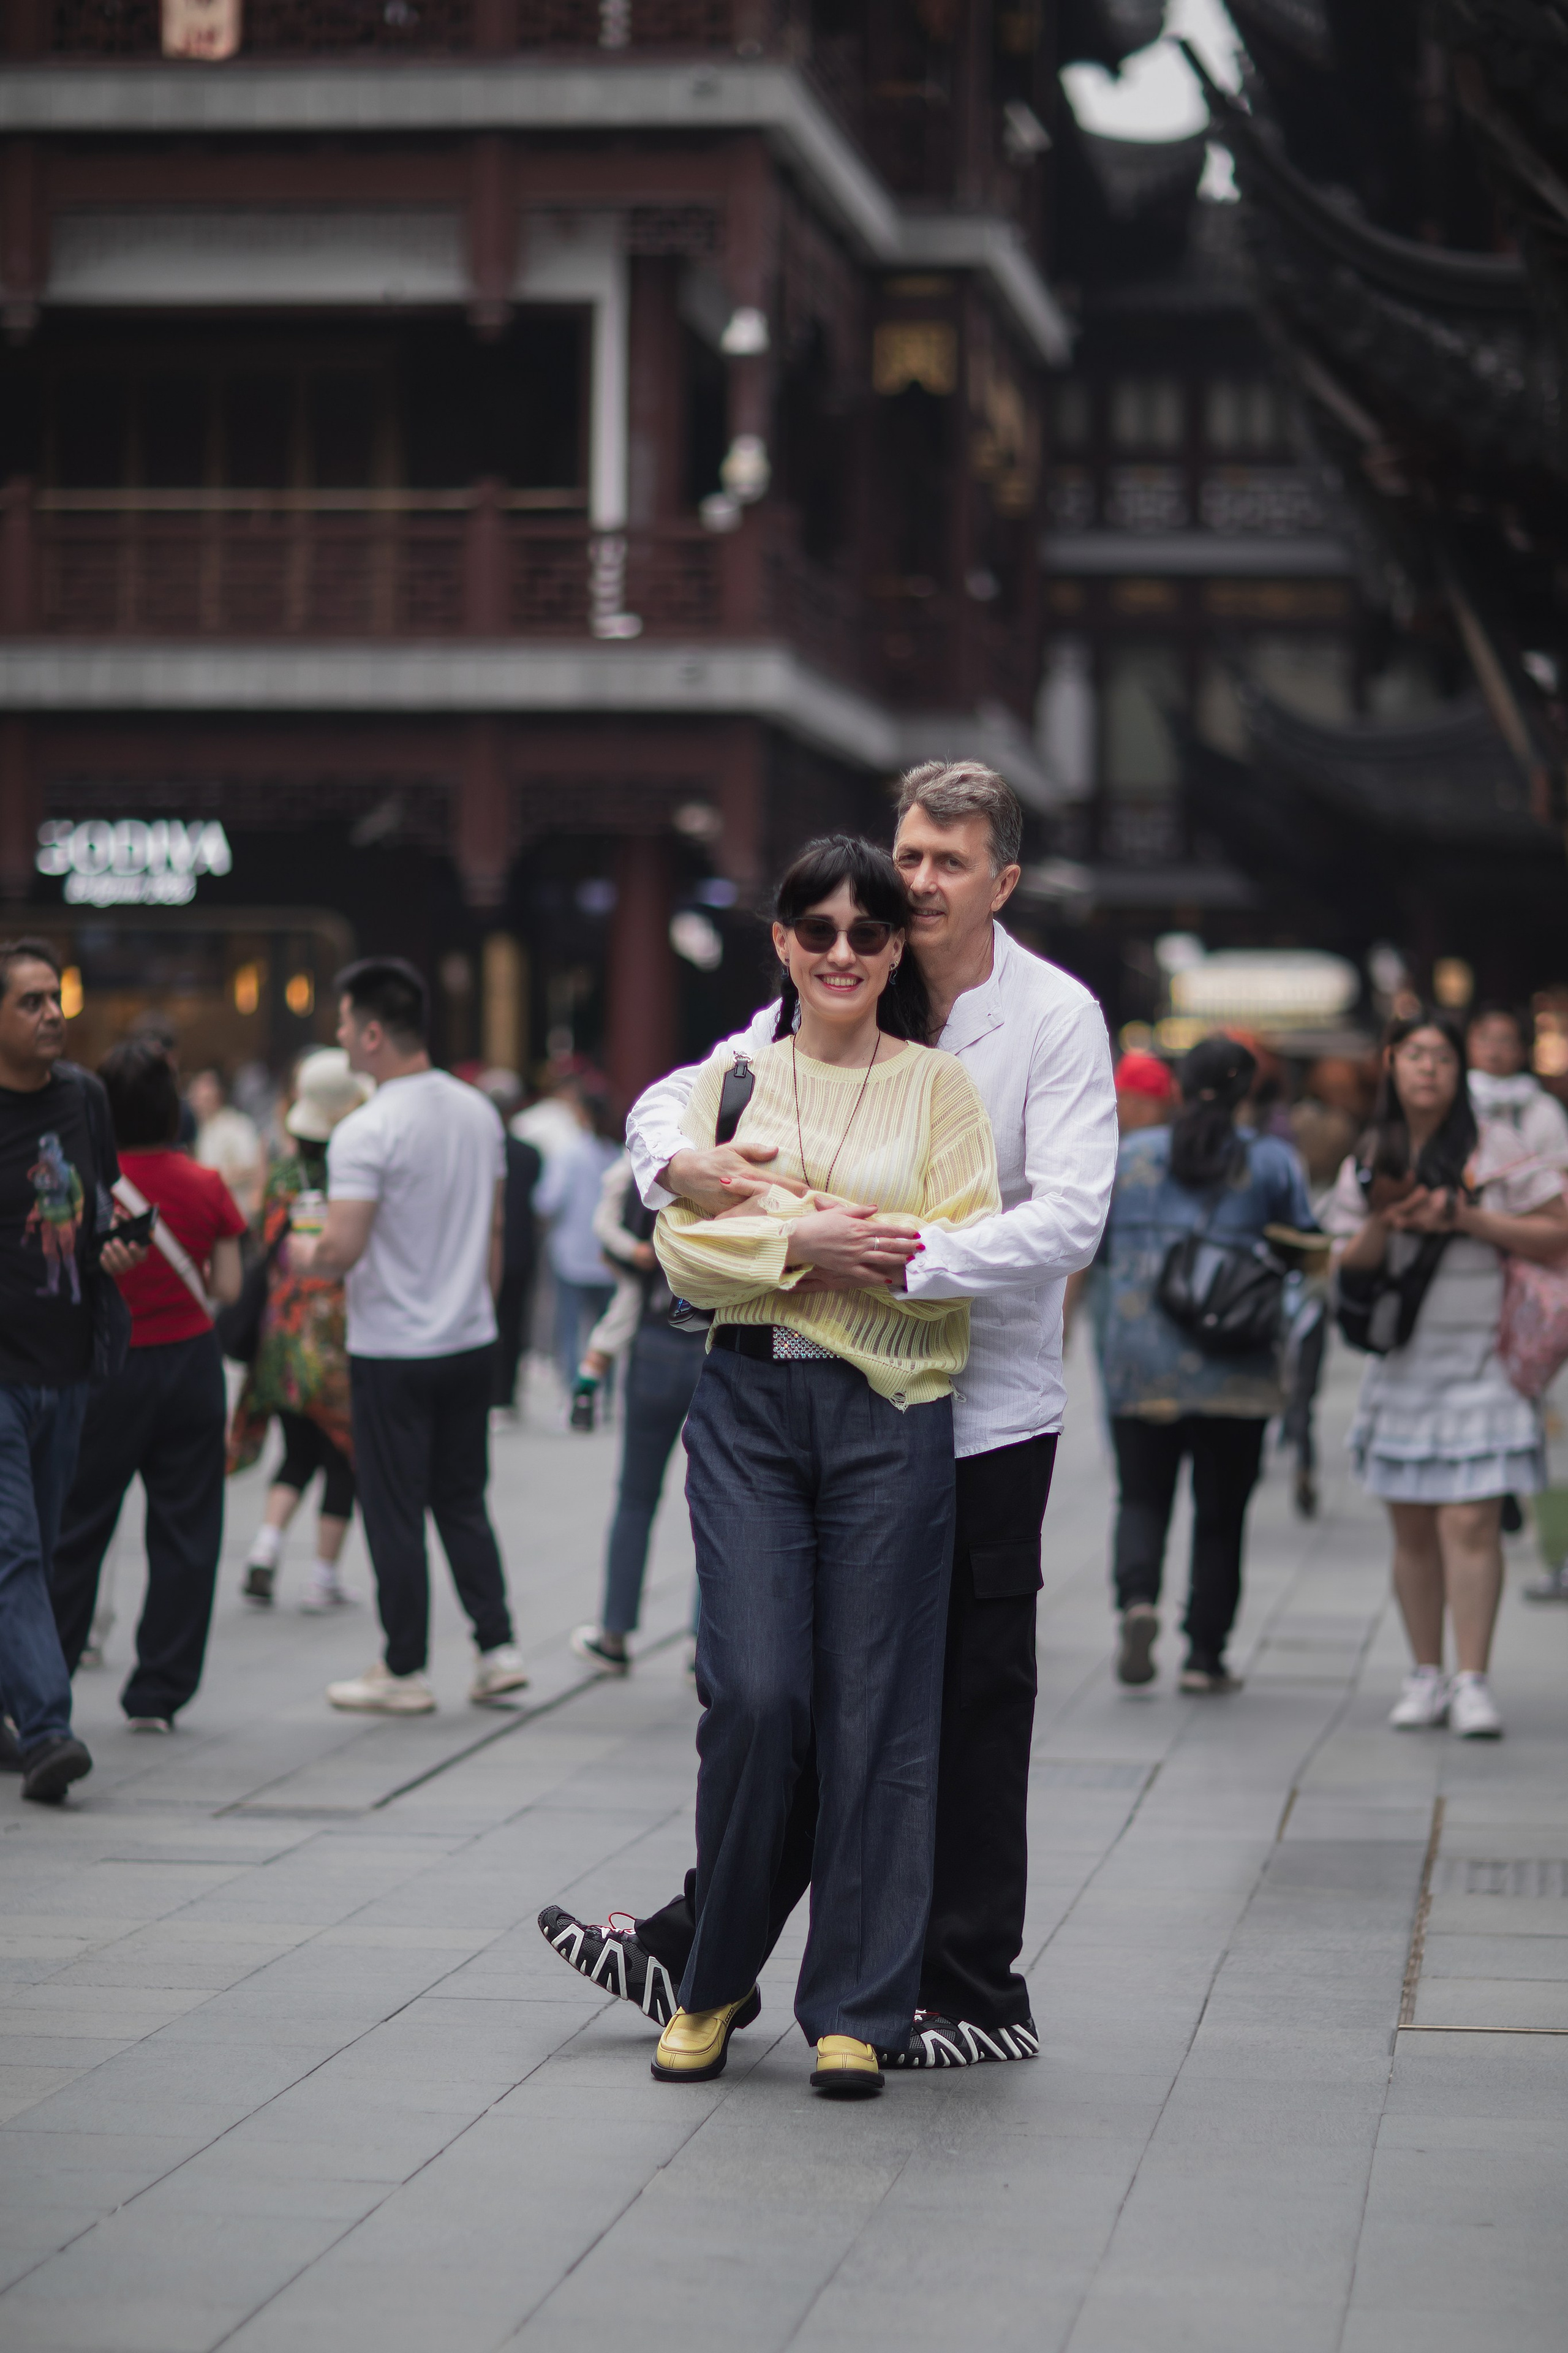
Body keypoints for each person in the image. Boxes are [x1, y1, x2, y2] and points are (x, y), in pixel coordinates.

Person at [538, 759, 1118, 2070]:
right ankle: (710, 1945)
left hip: (980, 1412)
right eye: (908, 854)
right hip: (808, 1390)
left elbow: (1068, 1217)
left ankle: (965, 1985)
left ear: (1001, 882)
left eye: (943, 865)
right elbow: (692, 1096)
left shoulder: (1052, 1019)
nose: (908, 888)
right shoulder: (858, 971)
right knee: (779, 1691)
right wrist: (677, 1164)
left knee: (950, 1704)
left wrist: (895, 1258)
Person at [641, 834, 998, 2097]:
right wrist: (810, 1249)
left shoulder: (938, 1091)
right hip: (744, 1408)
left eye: (868, 932)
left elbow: (941, 1255)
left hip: (887, 1416)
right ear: (781, 942)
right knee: (755, 1697)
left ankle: (856, 2003)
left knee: (877, 1715)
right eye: (818, 930)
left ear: (897, 947)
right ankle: (713, 1976)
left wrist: (784, 1227)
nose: (842, 952)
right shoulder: (731, 1079)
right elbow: (681, 1255)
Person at [285, 959, 529, 1715]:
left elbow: (342, 1247)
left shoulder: (365, 1128)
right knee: (462, 1499)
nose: (337, 1036)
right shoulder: (477, 1111)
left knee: (393, 1505)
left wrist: (303, 1249)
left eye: (343, 1022)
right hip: (467, 1339)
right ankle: (497, 1649)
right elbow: (492, 1229)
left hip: (391, 1346)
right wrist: (475, 1312)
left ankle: (404, 1666)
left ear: (372, 1032)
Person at [1327, 1009, 1568, 1737]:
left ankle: (1472, 1679)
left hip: (1484, 1358)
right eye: (1413, 1055)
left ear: (1459, 1069)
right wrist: (1387, 1219)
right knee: (1412, 1527)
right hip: (1404, 1362)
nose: (1427, 1068)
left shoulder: (1498, 1147)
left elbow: (1557, 1231)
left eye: (1441, 1056)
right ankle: (1424, 1673)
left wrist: (1465, 1218)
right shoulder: (1368, 1154)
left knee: (1470, 1520)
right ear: (1391, 1067)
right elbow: (1343, 1261)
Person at [1102, 1033, 1315, 1695]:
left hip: (1139, 1358)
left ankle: (1138, 1601)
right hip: (1236, 1361)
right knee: (1221, 1515)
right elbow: (1306, 1248)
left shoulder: (1130, 1159)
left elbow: (1091, 1245)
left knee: (1140, 1495)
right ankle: (1204, 1655)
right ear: (1245, 1091)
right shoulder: (1272, 1163)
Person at [50, 1040, 246, 1729]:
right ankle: (158, 1693)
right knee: (188, 1531)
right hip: (191, 1368)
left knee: (77, 1527)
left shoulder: (82, 1184)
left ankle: (46, 1679)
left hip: (108, 1367)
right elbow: (226, 1284)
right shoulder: (206, 1184)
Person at [0, 940, 145, 1803]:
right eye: (30, 1002)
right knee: (14, 1548)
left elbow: (98, 1208)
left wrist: (113, 1250)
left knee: (39, 1552)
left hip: (68, 1361)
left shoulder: (84, 1098)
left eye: (55, 998)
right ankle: (47, 1727)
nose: (53, 1013)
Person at [229, 1047, 371, 1612]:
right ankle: (322, 1576)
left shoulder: (284, 1171)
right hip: (337, 1337)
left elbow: (265, 1237)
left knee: (297, 1450)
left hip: (282, 1332)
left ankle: (264, 1550)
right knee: (344, 1454)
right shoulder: (354, 1171)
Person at [569, 1155, 707, 1672]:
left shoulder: (650, 1171)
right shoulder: (732, 1170)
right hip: (715, 1347)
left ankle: (614, 1632)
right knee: (717, 1501)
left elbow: (612, 1248)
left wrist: (593, 1364)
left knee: (634, 1497)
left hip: (652, 1343)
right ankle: (704, 1640)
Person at [534, 1092, 620, 1397]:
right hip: (608, 1255)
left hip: (571, 1252)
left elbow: (548, 1201)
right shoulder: (616, 1154)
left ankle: (576, 1395)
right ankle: (605, 1393)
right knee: (605, 1329)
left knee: (569, 1328)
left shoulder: (568, 1154)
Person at [471, 1070, 541, 1417]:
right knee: (514, 1321)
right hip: (522, 1246)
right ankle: (506, 1396)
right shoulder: (530, 1155)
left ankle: (483, 1391)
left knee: (484, 1318)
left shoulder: (475, 1151)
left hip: (480, 1245)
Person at [188, 1068, 264, 1222]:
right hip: (215, 1217)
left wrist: (208, 1180)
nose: (198, 1102)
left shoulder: (236, 1125)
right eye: (196, 1096)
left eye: (204, 1097)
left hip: (238, 1216)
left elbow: (250, 1167)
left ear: (219, 1095)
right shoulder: (204, 1129)